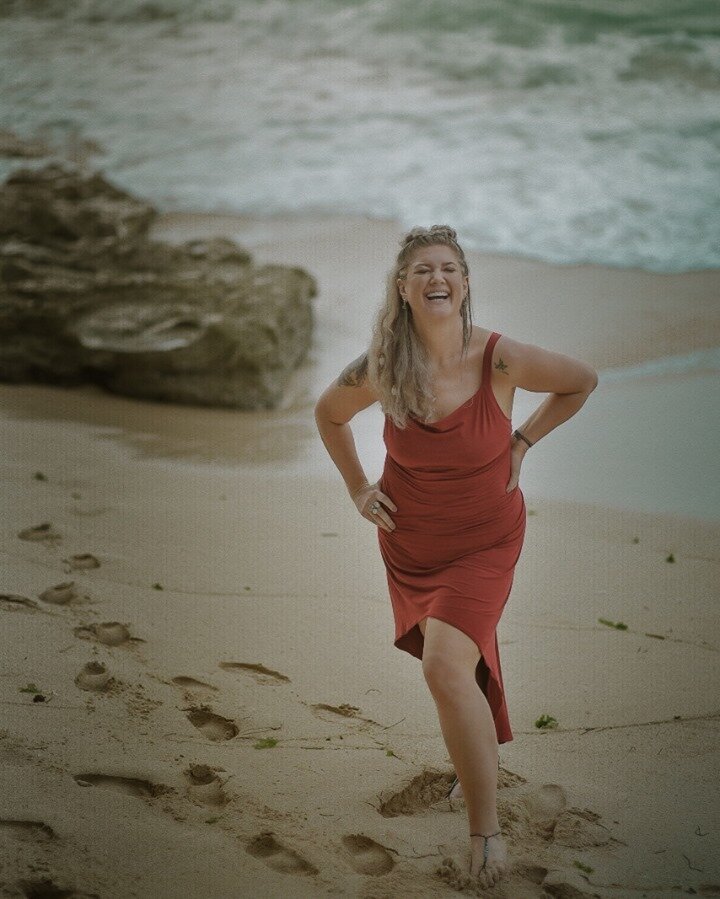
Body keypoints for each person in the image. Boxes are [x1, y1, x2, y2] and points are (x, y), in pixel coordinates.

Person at [314, 224, 598, 891]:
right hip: (412, 545)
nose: (436, 277)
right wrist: (359, 486)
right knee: (458, 666)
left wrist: (524, 440)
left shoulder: (500, 359)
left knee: (445, 664)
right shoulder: (381, 368)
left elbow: (582, 381)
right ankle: (476, 767)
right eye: (422, 270)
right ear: (403, 287)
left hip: (486, 540)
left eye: (448, 267)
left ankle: (485, 831)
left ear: (464, 283)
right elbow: (329, 415)